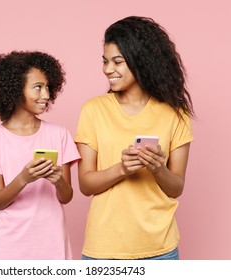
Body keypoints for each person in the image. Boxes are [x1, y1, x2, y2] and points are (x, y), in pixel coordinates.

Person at [75, 16, 194, 260]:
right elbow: (85, 184)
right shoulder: (92, 110)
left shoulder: (175, 114)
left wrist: (158, 168)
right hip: (104, 249)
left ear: (141, 61)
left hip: (160, 249)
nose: (108, 69)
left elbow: (176, 188)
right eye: (105, 61)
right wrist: (122, 169)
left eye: (117, 61)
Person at [0, 51, 80, 260]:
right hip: (11, 247)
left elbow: (66, 197)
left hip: (52, 244)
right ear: (14, 90)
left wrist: (58, 180)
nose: (46, 95)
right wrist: (24, 178)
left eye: (48, 87)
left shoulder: (59, 135)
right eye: (38, 87)